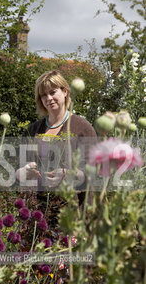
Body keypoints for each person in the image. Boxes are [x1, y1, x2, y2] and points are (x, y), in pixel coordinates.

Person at [16, 70, 97, 201]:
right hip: (37, 212)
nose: (48, 98)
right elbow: (17, 173)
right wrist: (25, 172)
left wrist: (67, 175)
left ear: (65, 91)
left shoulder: (82, 128)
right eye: (43, 95)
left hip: (71, 212)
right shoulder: (32, 131)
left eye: (52, 92)